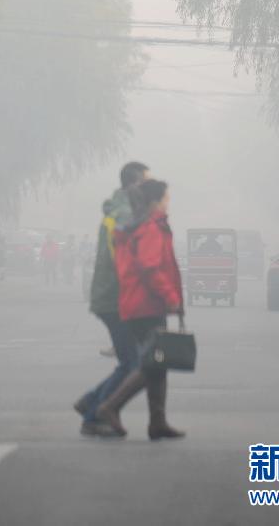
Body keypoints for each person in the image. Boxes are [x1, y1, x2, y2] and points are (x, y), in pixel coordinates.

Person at [97, 180, 185, 441]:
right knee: (154, 362)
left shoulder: (135, 227)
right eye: (165, 198)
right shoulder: (150, 228)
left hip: (136, 302)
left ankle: (157, 422)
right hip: (147, 304)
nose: (168, 202)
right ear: (154, 202)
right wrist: (171, 297)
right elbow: (150, 267)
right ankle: (110, 407)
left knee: (159, 362)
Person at [74, 161, 149, 437]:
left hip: (112, 297)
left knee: (132, 361)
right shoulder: (123, 215)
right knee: (135, 364)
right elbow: (126, 259)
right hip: (116, 299)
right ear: (132, 185)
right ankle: (94, 414)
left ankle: (92, 402)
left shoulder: (122, 211)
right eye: (144, 183)